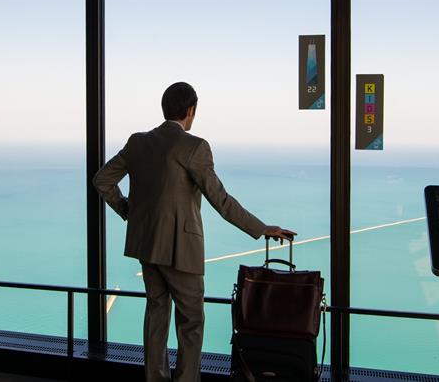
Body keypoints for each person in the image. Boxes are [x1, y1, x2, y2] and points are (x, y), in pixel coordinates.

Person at [92, 82, 297, 382]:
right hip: (180, 251)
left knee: (156, 317)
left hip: (146, 247)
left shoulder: (138, 142)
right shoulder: (194, 147)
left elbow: (102, 180)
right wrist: (261, 228)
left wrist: (129, 211)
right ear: (191, 110)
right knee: (190, 323)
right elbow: (221, 201)